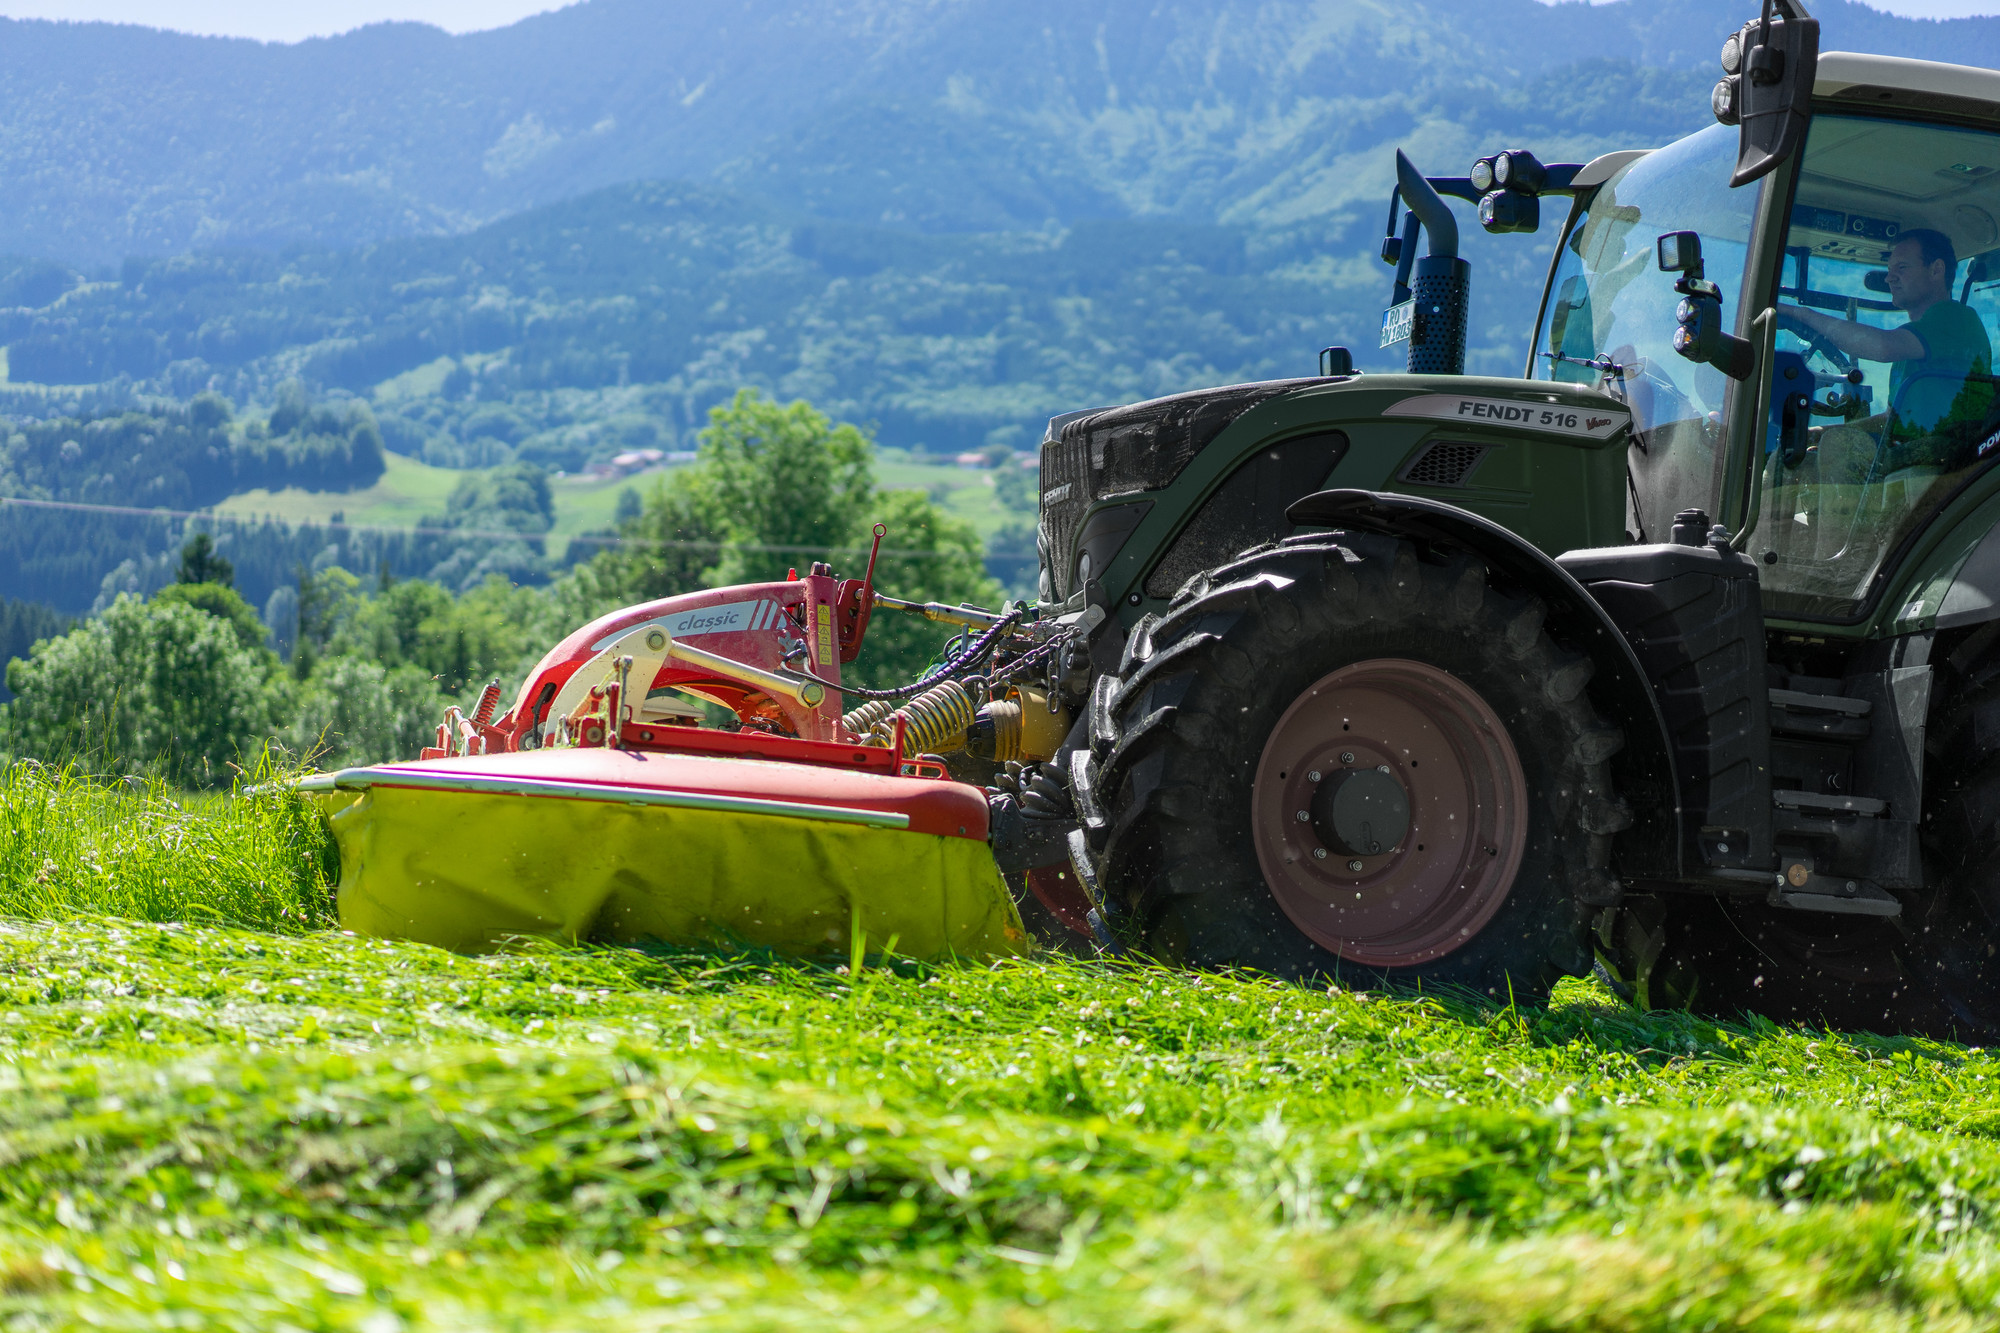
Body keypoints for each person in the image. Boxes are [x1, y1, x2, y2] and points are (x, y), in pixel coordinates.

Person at [1780, 228, 1991, 443]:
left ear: (1936, 270)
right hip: (1914, 454)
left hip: (1950, 456)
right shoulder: (1913, 344)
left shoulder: (1955, 318)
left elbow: (1882, 346)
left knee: (1835, 449)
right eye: (1889, 269)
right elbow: (1889, 421)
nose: (1890, 278)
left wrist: (1800, 314)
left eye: (1902, 267)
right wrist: (1820, 434)